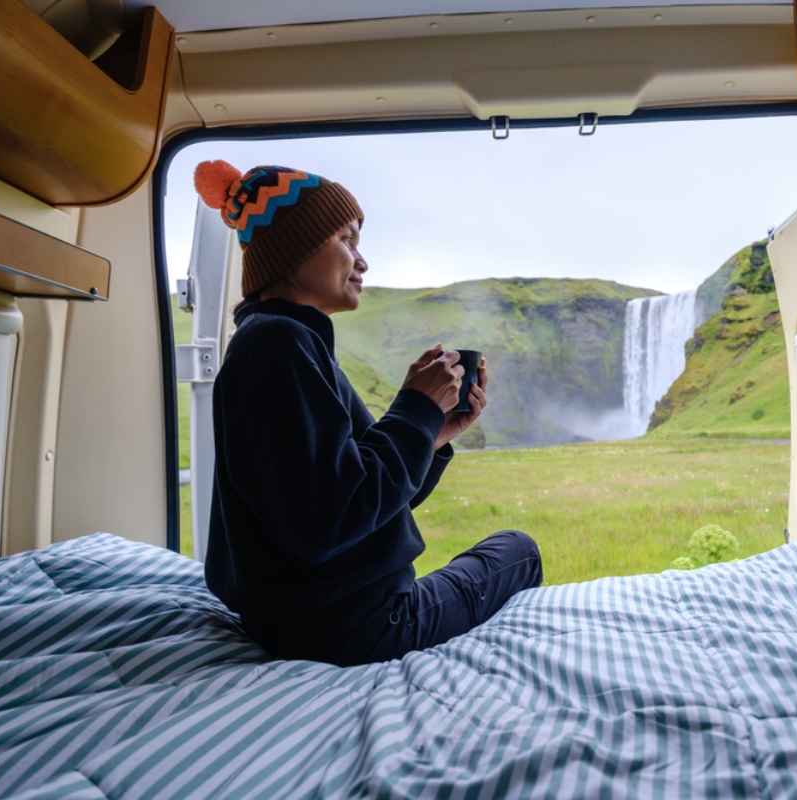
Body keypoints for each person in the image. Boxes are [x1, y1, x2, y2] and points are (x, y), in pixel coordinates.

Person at [193, 160, 543, 666]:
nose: (363, 262)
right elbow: (332, 518)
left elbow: (366, 503)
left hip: (299, 617)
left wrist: (433, 433)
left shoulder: (279, 342)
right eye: (347, 240)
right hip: (356, 626)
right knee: (519, 550)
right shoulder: (279, 346)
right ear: (295, 247)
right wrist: (415, 409)